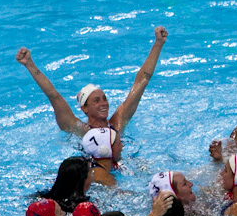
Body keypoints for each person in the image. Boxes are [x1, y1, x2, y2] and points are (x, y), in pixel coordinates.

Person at [15, 26, 168, 138]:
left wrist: (158, 44)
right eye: (96, 101)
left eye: (104, 98)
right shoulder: (78, 129)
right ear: (84, 109)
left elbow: (142, 80)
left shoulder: (117, 123)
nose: (104, 103)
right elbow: (53, 96)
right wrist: (30, 64)